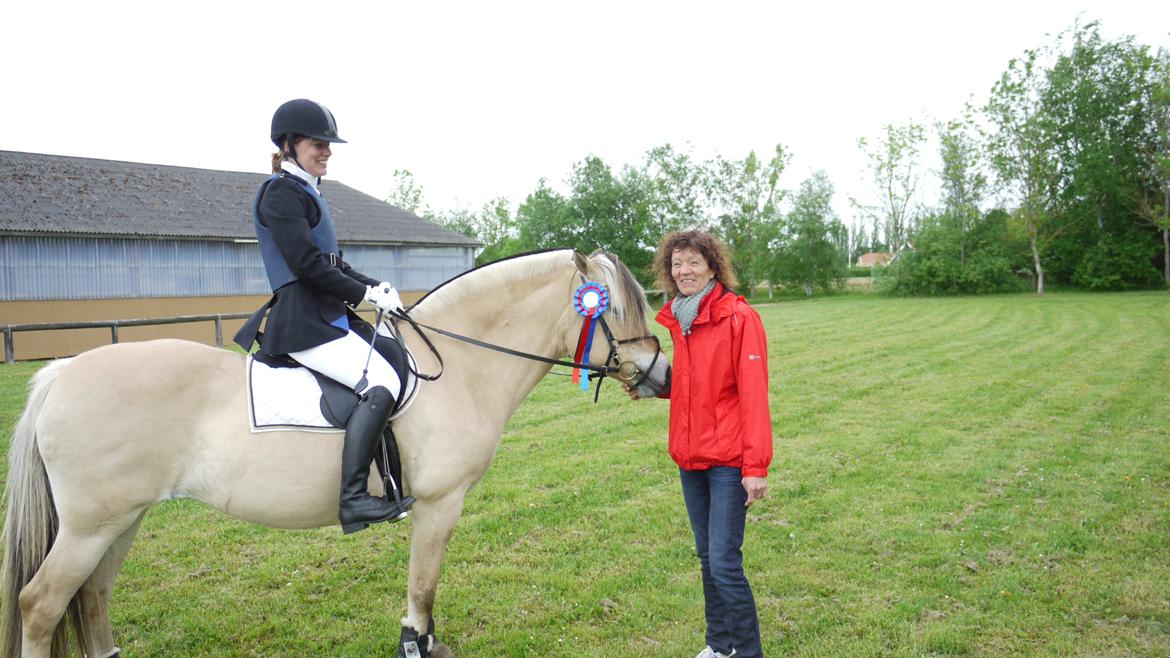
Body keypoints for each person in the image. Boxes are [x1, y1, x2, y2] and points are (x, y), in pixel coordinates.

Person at [234, 98, 411, 534]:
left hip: (328, 312)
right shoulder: (280, 194)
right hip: (303, 320)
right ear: (291, 145)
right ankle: (353, 500)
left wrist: (375, 286)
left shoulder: (310, 192)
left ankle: (390, 477)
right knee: (381, 382)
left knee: (394, 358)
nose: (327, 152)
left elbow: (333, 263)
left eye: (330, 145)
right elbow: (307, 266)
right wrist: (364, 293)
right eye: (319, 144)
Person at [626, 229, 773, 658]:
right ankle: (720, 645)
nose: (684, 271)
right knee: (708, 560)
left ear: (712, 266)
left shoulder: (738, 317)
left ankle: (748, 653)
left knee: (726, 565)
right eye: (677, 264)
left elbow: (752, 394)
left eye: (693, 262)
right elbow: (696, 384)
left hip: (729, 461)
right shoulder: (681, 319)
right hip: (691, 457)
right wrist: (656, 387)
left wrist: (755, 466)